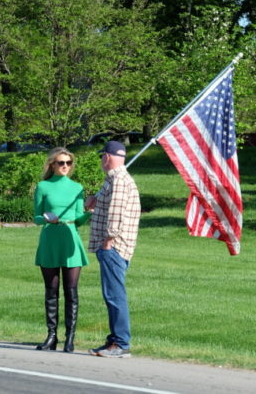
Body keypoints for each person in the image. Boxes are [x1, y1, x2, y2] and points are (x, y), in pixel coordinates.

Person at [85, 141, 141, 358]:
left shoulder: (118, 181)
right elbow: (108, 202)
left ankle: (121, 343)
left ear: (107, 157)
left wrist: (108, 240)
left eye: (102, 157)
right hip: (115, 246)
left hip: (114, 247)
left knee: (114, 294)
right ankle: (114, 340)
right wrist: (95, 200)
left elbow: (116, 215)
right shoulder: (115, 180)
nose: (101, 161)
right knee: (112, 294)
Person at [33, 147, 91, 352]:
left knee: (71, 291)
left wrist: (89, 212)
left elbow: (79, 219)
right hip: (50, 238)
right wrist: (47, 217)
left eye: (68, 163)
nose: (65, 166)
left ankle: (70, 338)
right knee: (51, 291)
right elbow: (36, 217)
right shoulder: (43, 186)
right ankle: (51, 336)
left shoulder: (77, 188)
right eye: (61, 163)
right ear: (52, 165)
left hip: (70, 240)